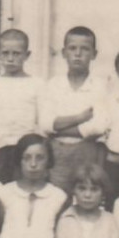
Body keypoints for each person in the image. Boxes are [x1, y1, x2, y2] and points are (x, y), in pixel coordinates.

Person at [42, 26, 109, 190]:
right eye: (72, 48)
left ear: (94, 54)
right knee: (57, 198)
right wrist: (80, 118)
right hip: (57, 152)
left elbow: (99, 126)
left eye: (85, 49)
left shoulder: (101, 86)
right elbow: (45, 124)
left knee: (86, 195)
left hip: (87, 152)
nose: (78, 54)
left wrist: (57, 127)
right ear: (64, 53)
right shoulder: (53, 85)